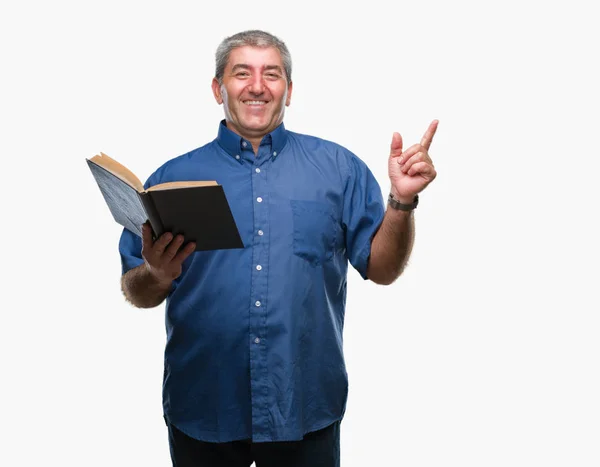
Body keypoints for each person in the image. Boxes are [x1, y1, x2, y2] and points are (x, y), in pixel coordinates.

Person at [119, 29, 438, 467]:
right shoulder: (171, 180)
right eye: (241, 73)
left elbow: (381, 269)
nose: (257, 85)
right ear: (218, 89)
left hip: (305, 405)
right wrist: (156, 275)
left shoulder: (339, 169)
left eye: (272, 73)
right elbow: (136, 290)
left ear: (288, 90)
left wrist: (401, 201)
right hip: (204, 406)